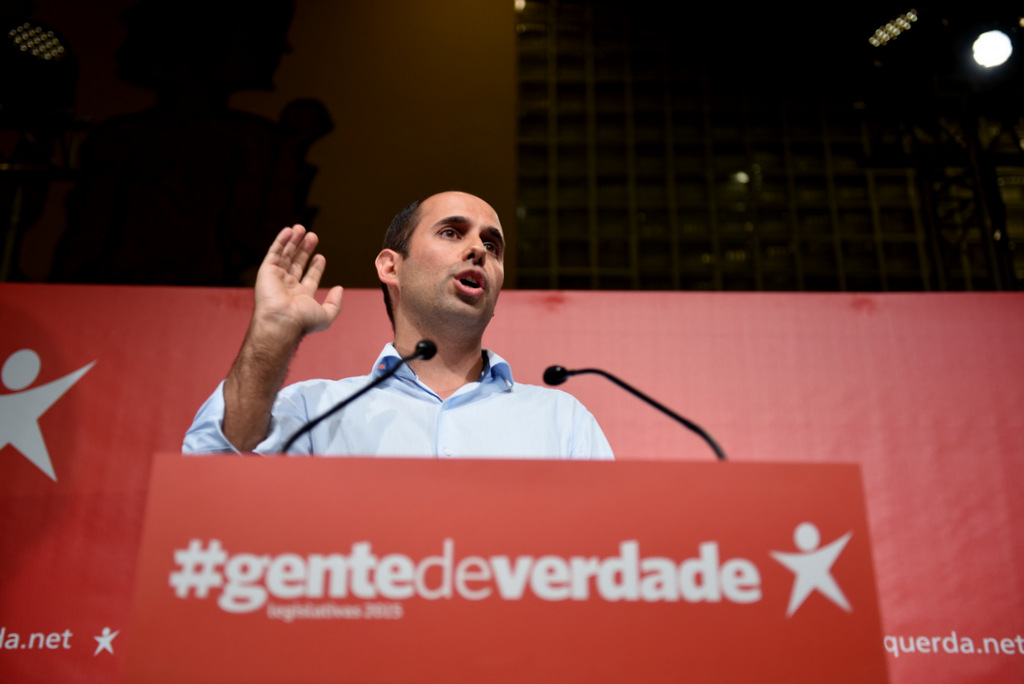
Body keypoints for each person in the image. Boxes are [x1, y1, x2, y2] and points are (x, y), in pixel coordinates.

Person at [183, 191, 613, 459]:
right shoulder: (317, 411)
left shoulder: (561, 421)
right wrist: (271, 335)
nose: (478, 251)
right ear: (391, 266)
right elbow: (209, 474)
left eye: (492, 245)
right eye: (451, 232)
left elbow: (607, 549)